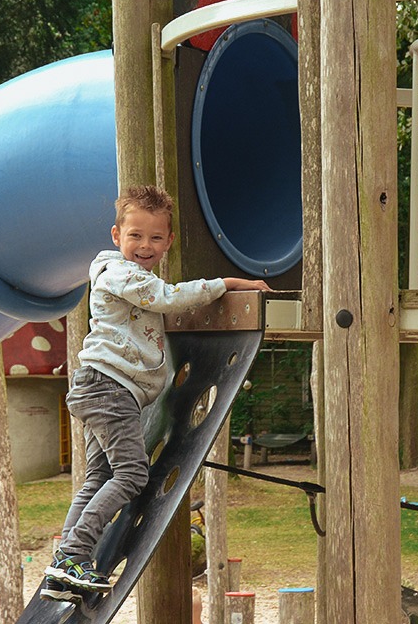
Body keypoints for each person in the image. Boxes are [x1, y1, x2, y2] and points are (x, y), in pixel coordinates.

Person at [41, 185, 271, 602]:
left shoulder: (136, 277)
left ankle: (63, 566)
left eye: (155, 237)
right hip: (108, 388)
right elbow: (167, 298)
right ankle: (73, 554)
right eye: (135, 235)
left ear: (168, 242)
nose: (144, 246)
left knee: (99, 478)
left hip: (105, 389)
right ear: (117, 236)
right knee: (131, 474)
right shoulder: (119, 274)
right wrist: (226, 283)